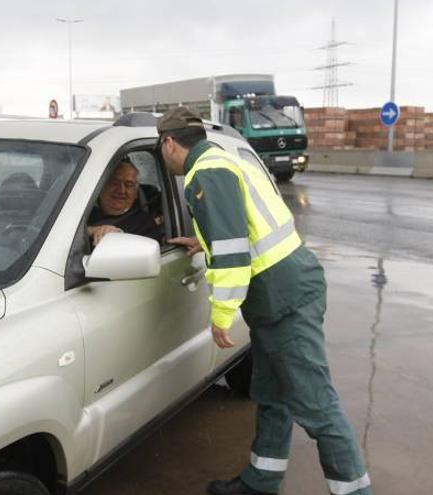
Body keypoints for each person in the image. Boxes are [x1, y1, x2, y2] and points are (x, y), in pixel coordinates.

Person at [158, 107, 371, 495]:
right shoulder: (225, 158)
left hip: (284, 297)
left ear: (169, 143)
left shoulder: (206, 173)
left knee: (317, 406)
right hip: (281, 291)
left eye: (162, 148)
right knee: (272, 395)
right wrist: (204, 242)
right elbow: (244, 232)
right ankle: (261, 480)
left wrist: (221, 314)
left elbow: (234, 251)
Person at [86, 158, 162, 246]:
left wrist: (117, 236)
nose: (121, 190)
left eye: (128, 185)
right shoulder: (83, 212)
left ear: (136, 193)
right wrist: (92, 230)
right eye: (114, 183)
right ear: (100, 187)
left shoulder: (145, 224)